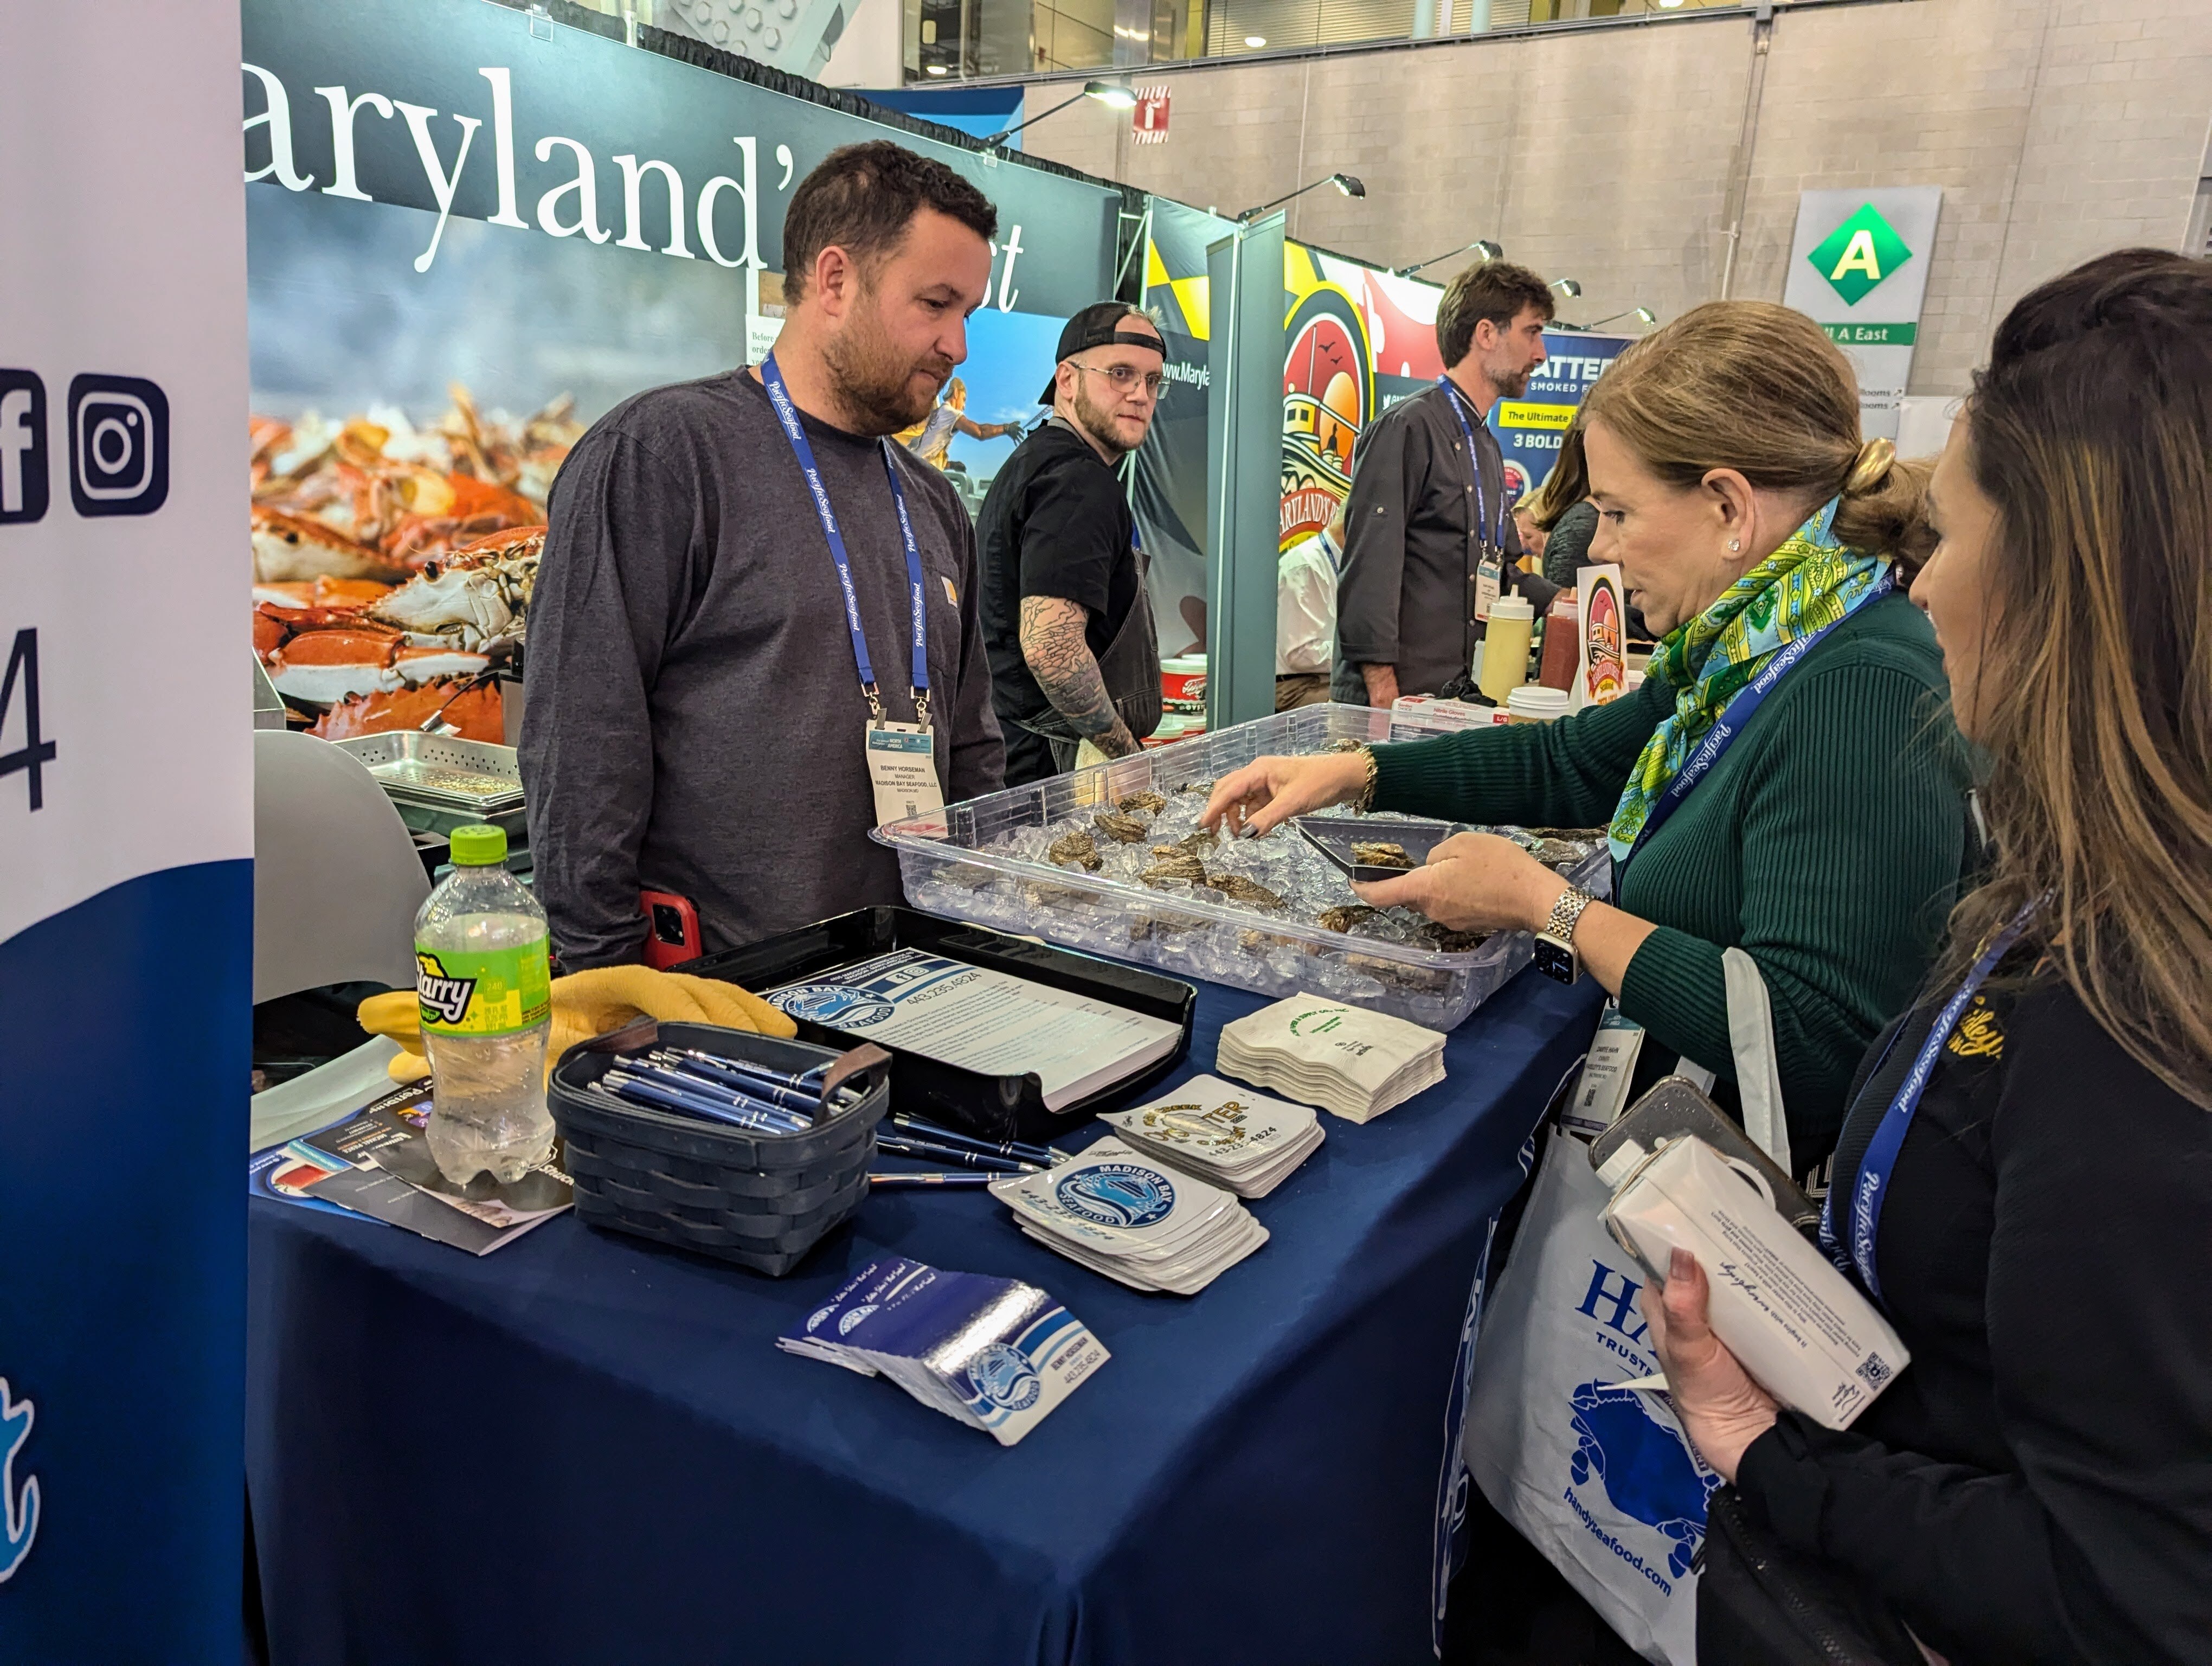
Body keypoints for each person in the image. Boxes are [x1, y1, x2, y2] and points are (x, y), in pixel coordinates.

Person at [1649, 249, 2212, 1666]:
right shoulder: (2085, 895)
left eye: (1945, 543)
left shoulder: (2131, 1019)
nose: (1921, 585)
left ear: (2056, 591)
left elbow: (2130, 1592)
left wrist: (1763, 1454)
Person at [1209, 300, 1973, 1162]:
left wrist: (1550, 906)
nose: (1599, 549)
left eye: (1617, 513)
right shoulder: (1757, 640)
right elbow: (1578, 760)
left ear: (1728, 506)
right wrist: (1357, 771)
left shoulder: (1857, 683)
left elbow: (1817, 1042)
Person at [520, 140, 1006, 965]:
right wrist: (607, 981)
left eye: (969, 313)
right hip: (718, 996)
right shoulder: (661, 457)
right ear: (834, 279)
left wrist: (980, 920)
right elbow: (583, 747)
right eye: (935, 304)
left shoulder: (932, 504)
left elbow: (971, 745)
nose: (958, 344)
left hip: (913, 976)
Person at [1332, 260, 1562, 708]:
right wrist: (1382, 689)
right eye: (1531, 332)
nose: (1541, 354)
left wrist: (1567, 603)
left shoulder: (1487, 447)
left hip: (1454, 693)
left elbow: (1500, 569)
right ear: (1486, 334)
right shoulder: (1408, 428)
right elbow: (1371, 564)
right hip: (1395, 699)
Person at [976, 302, 1166, 784]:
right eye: (1121, 374)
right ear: (1067, 380)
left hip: (1014, 753)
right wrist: (1128, 757)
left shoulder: (1037, 461)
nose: (1140, 395)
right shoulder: (1080, 482)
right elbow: (1051, 647)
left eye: (1152, 381)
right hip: (1051, 769)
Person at [1275, 498, 1342, 710]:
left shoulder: (1338, 562)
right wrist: (1357, 654)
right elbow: (1300, 654)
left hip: (1323, 680)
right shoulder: (1307, 565)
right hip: (1296, 687)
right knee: (1369, 705)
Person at [896, 375, 1016, 471]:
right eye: (964, 399)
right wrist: (1006, 428)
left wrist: (951, 465)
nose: (964, 406)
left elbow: (930, 450)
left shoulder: (939, 413)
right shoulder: (950, 413)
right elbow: (980, 432)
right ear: (957, 393)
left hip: (915, 467)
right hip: (920, 472)